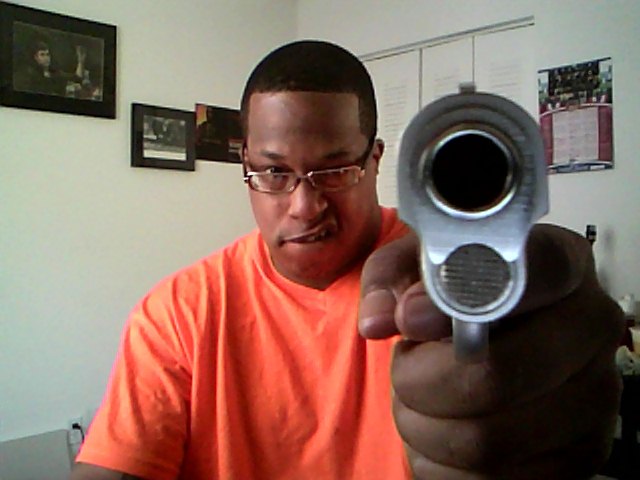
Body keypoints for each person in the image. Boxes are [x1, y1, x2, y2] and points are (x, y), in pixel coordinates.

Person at [70, 40, 624, 479]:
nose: (304, 206)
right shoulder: (177, 314)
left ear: (375, 159)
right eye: (274, 172)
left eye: (334, 170)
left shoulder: (449, 279)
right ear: (246, 166)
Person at [13, 40, 88, 97]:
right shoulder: (30, 75)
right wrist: (65, 90)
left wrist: (80, 61)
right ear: (35, 57)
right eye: (42, 55)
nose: (46, 58)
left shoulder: (55, 73)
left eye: (47, 54)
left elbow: (77, 78)